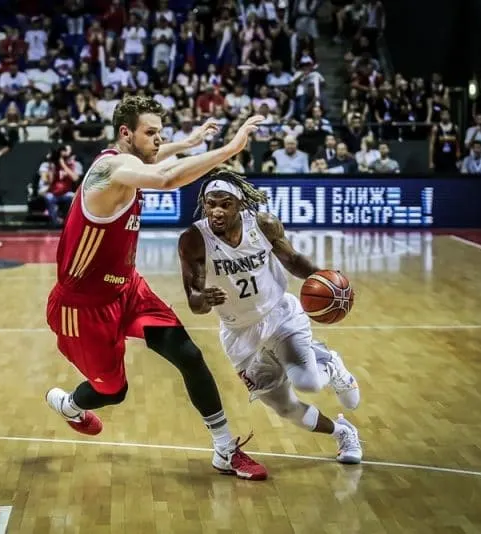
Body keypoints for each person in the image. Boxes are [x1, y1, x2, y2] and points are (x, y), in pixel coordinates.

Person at [45, 95, 270, 480]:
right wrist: (229, 149)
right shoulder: (113, 168)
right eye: (151, 133)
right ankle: (70, 404)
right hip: (82, 306)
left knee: (189, 355)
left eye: (160, 134)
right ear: (125, 133)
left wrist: (186, 143)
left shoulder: (130, 163)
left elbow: (155, 159)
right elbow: (165, 178)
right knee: (113, 392)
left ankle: (224, 449)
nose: (157, 140)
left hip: (128, 290)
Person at [177, 169, 363, 465]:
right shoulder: (193, 240)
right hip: (239, 333)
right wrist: (204, 300)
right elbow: (194, 303)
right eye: (211, 203)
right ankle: (342, 431)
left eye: (225, 204)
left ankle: (330, 364)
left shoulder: (263, 225)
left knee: (308, 383)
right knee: (286, 409)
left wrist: (325, 279)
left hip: (279, 316)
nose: (217, 211)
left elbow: (293, 261)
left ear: (240, 204)